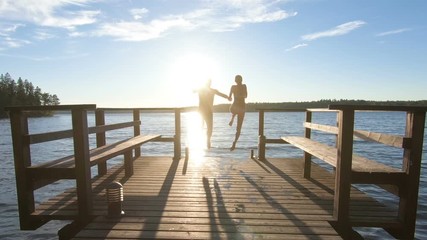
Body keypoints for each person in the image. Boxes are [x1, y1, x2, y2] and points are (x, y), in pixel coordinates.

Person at [197, 79, 229, 149]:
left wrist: (227, 97)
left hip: (206, 111)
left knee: (209, 127)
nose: (208, 84)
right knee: (205, 126)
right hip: (204, 111)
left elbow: (221, 94)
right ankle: (205, 140)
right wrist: (227, 97)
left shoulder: (209, 90)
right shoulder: (204, 90)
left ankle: (208, 140)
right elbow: (221, 94)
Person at [228, 75, 247, 151]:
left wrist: (239, 95)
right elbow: (229, 97)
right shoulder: (233, 87)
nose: (239, 82)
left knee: (238, 129)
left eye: (239, 80)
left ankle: (234, 143)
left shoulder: (244, 86)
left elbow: (246, 95)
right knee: (233, 110)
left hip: (241, 108)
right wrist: (229, 98)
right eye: (237, 80)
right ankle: (232, 117)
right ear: (236, 81)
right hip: (235, 107)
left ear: (241, 80)